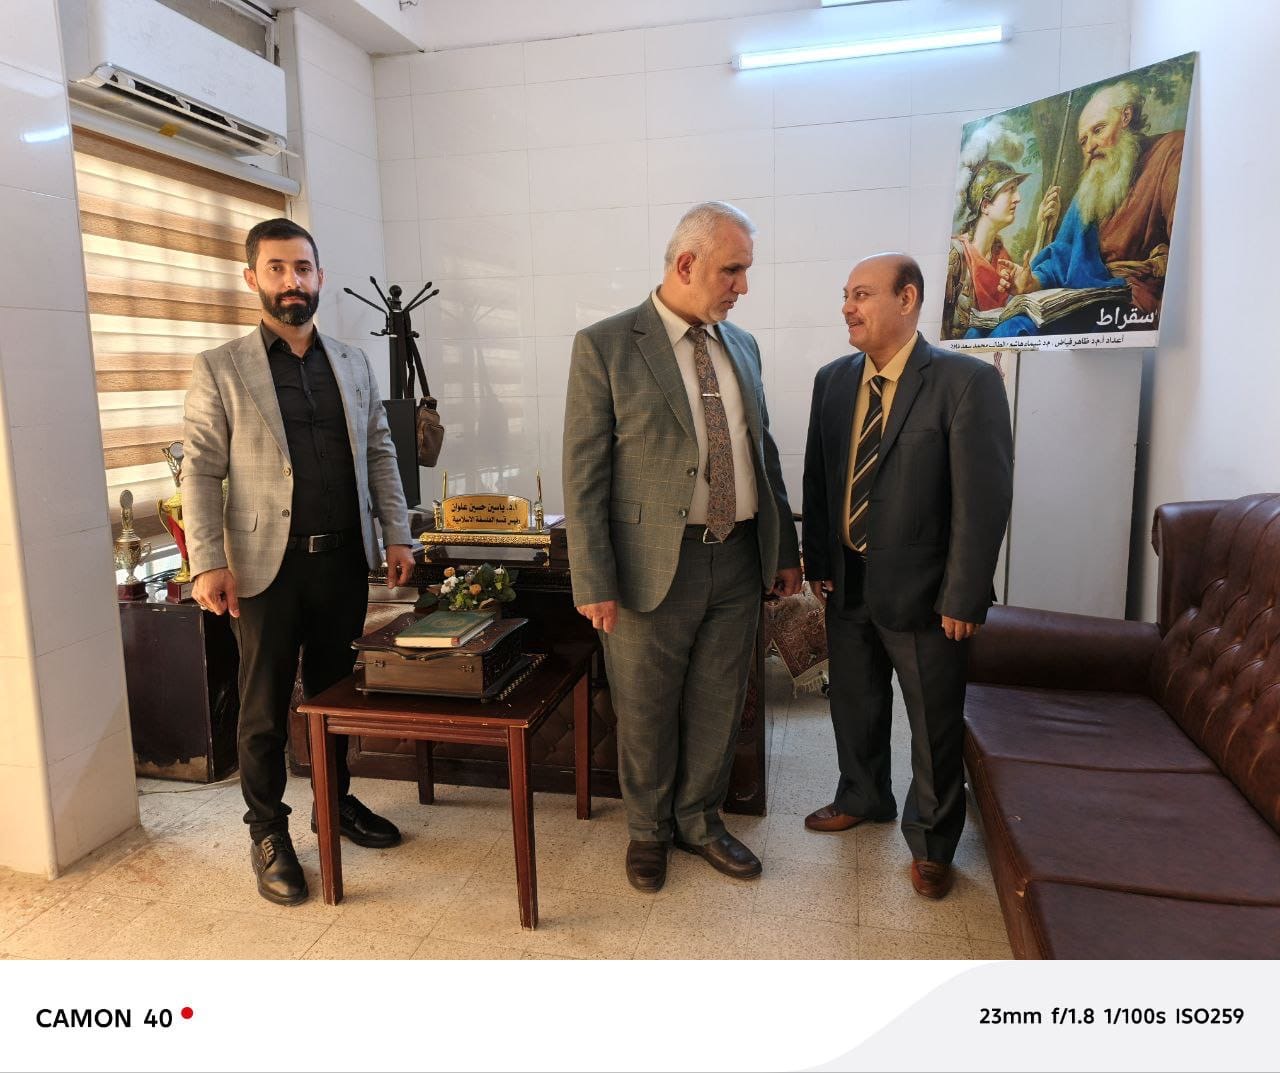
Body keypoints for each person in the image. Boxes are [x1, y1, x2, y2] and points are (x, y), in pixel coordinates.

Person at [563, 201, 802, 893]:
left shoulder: (742, 345)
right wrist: (592, 579)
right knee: (644, 706)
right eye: (733, 270)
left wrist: (785, 548)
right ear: (687, 263)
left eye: (746, 271)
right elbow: (584, 475)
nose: (743, 286)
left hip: (739, 556)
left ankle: (700, 821)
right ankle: (647, 830)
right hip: (649, 565)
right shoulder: (606, 345)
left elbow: (762, 452)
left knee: (720, 702)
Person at [182, 218, 417, 906]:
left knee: (336, 697)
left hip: (342, 562)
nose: (293, 281)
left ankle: (333, 804)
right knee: (262, 709)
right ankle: (267, 831)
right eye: (277, 268)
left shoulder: (351, 362)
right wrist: (207, 561)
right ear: (252, 278)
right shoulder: (221, 367)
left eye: (303, 268)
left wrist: (397, 534)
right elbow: (201, 469)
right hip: (264, 569)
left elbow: (379, 452)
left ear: (319, 276)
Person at [801, 253, 1012, 900]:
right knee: (854, 701)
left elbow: (983, 500)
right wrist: (818, 561)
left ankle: (932, 840)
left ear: (908, 298)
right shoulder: (833, 381)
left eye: (862, 294)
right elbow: (820, 477)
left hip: (927, 594)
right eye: (846, 294)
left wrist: (965, 594)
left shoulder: (965, 382)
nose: (847, 306)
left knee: (933, 721)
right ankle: (863, 794)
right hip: (848, 581)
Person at [1028, 80, 1183, 313]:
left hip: (1134, 303)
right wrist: (1034, 281)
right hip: (1084, 297)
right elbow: (1063, 256)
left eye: (1098, 130)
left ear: (1125, 117)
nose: (1090, 147)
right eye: (1083, 141)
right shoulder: (1089, 191)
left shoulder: (1170, 152)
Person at [941, 159, 1032, 339]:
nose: (1018, 198)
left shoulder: (1001, 254)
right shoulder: (955, 254)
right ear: (985, 206)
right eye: (1010, 190)